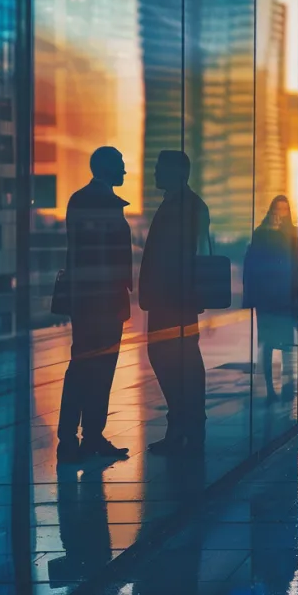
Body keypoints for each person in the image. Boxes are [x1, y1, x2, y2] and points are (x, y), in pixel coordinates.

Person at [56, 146, 133, 462]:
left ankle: (73, 439)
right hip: (103, 302)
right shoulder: (104, 204)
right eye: (120, 165)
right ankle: (87, 438)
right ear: (107, 168)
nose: (124, 171)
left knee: (82, 366)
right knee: (98, 369)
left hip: (86, 301)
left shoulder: (79, 200)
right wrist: (119, 297)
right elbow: (110, 258)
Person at [139, 149, 210, 455]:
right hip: (169, 297)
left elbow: (187, 254)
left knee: (177, 359)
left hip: (174, 298)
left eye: (160, 167)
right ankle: (184, 424)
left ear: (178, 172)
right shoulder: (179, 203)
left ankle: (186, 425)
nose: (155, 172)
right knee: (173, 358)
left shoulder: (187, 205)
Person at [243, 195, 298, 401]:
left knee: (287, 343)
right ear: (271, 211)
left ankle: (288, 384)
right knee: (268, 343)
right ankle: (270, 389)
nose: (280, 214)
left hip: (286, 296)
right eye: (277, 209)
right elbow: (253, 264)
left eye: (284, 210)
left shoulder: (292, 233)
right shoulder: (261, 233)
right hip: (267, 297)